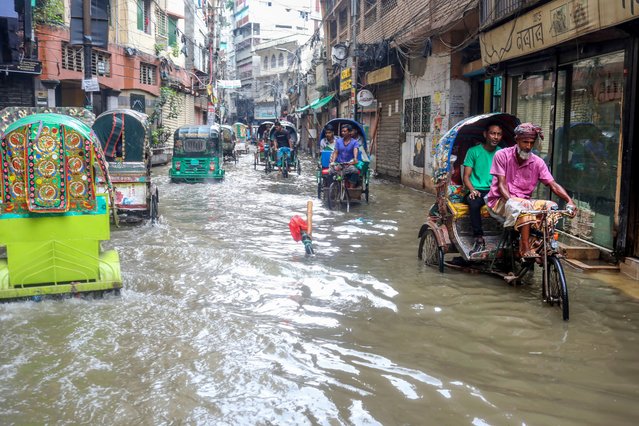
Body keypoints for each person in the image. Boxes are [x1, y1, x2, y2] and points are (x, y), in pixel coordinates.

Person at [486, 123, 576, 259]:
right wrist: (512, 201)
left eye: (531, 143)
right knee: (525, 208)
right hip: (501, 200)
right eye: (525, 142)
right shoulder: (502, 155)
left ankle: (545, 244)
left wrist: (569, 201)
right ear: (516, 140)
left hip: (524, 201)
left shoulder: (538, 162)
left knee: (551, 207)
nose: (528, 146)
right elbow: (501, 185)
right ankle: (525, 248)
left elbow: (552, 184)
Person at [462, 123, 503, 254]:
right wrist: (472, 190)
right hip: (476, 190)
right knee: (474, 203)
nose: (495, 137)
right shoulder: (473, 151)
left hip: (495, 191)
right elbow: (466, 177)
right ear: (486, 134)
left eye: (499, 134)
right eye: (492, 133)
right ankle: (478, 238)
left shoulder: (502, 153)